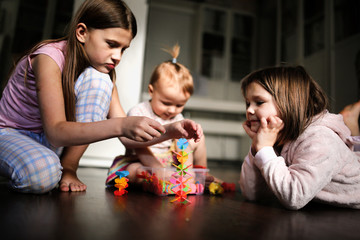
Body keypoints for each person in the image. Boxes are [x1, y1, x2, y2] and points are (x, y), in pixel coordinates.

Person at [0, 0, 202, 194]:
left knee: (100, 80)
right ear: (82, 33)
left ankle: (68, 167)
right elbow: (56, 132)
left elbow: (127, 137)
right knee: (42, 176)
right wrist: (122, 125)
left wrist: (169, 131)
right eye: (111, 44)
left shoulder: (102, 74)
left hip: (50, 145)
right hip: (13, 135)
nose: (118, 56)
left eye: (123, 49)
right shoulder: (48, 59)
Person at [239, 65, 360, 210]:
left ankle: (352, 127)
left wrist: (264, 149)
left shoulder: (321, 138)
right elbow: (252, 194)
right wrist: (256, 147)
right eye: (247, 103)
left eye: (259, 102)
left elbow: (294, 196)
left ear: (289, 101)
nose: (249, 110)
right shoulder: (277, 138)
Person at [106, 44, 216, 186]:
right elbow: (139, 147)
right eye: (166, 103)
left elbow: (182, 147)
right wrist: (156, 169)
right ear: (151, 91)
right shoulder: (139, 112)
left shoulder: (178, 118)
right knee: (134, 171)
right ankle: (150, 181)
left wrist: (187, 170)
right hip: (141, 160)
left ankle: (200, 174)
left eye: (179, 105)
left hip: (169, 163)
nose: (171, 110)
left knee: (194, 139)